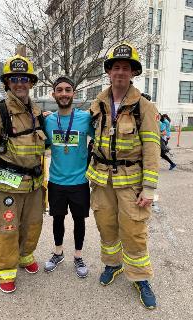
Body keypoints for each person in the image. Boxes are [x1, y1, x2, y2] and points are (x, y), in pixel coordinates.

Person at [86, 42, 160, 309]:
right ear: (108, 71)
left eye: (125, 68)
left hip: (131, 182)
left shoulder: (144, 107)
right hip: (102, 180)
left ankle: (141, 278)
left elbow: (152, 148)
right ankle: (112, 265)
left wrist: (149, 188)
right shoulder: (97, 104)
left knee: (134, 231)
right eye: (115, 67)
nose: (120, 72)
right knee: (106, 227)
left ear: (133, 73)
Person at [0, 54, 46, 293]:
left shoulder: (36, 111)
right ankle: (5, 270)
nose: (20, 83)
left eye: (24, 79)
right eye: (14, 79)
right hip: (7, 186)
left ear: (31, 82)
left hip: (33, 185)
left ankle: (25, 256)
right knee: (7, 229)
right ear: (7, 83)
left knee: (33, 223)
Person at [44, 76, 94, 278]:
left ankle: (78, 256)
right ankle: (58, 252)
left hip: (80, 182)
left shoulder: (85, 118)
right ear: (53, 94)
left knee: (79, 220)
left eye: (68, 90)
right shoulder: (47, 120)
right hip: (56, 181)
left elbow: (102, 136)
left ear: (74, 93)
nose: (64, 94)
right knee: (57, 219)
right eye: (59, 90)